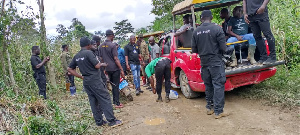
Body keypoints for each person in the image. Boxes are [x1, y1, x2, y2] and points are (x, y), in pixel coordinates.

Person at [68, 37, 122, 127]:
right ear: (88, 45)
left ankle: (99, 122)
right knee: (105, 98)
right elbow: (97, 65)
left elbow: (69, 69)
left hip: (86, 81)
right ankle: (112, 121)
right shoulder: (89, 53)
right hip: (95, 80)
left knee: (93, 101)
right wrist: (102, 64)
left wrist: (81, 76)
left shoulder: (77, 55)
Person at [191, 10, 228, 119]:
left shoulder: (196, 32)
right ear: (211, 17)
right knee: (218, 85)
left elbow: (194, 50)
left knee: (208, 86)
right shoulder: (217, 29)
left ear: (201, 18)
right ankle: (218, 112)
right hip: (216, 62)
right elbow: (223, 48)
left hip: (204, 63)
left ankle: (209, 108)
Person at [243, 0, 276, 64]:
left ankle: (272, 57)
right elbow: (244, 1)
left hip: (261, 12)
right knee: (257, 36)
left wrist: (263, 6)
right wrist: (245, 13)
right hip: (251, 15)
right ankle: (263, 57)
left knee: (267, 34)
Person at [99, 30, 125, 108]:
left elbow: (101, 58)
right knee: (116, 85)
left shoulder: (101, 46)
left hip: (107, 69)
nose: (113, 37)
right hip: (114, 68)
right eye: (113, 36)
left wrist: (104, 68)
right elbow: (116, 58)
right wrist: (121, 69)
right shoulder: (112, 45)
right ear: (111, 36)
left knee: (112, 84)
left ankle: (114, 101)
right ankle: (116, 103)